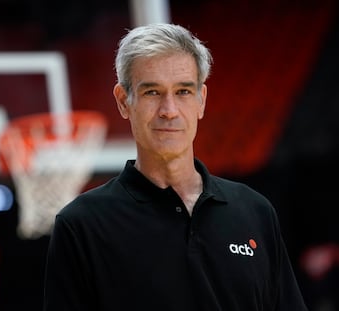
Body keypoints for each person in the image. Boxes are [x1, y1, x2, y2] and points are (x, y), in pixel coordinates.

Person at [43, 23, 308, 310]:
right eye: (152, 92)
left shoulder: (254, 211)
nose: (169, 110)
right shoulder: (82, 224)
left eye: (183, 91)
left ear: (201, 101)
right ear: (123, 102)